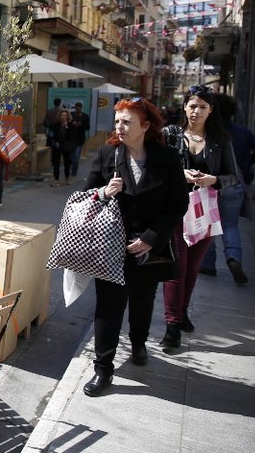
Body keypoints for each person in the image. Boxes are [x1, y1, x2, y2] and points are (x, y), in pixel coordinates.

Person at [81, 97, 188, 397]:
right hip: (111, 247)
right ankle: (103, 370)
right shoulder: (107, 154)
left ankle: (138, 344)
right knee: (108, 307)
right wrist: (103, 192)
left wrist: (152, 238)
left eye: (126, 121)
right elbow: (83, 197)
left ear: (146, 125)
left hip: (149, 248)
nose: (119, 126)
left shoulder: (167, 159)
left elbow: (178, 203)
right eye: (117, 121)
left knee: (142, 301)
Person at [160, 86, 240, 346]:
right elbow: (153, 167)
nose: (196, 111)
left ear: (211, 110)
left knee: (193, 267)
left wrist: (213, 179)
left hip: (205, 211)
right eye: (192, 105)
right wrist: (177, 174)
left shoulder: (221, 140)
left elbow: (233, 176)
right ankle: (172, 325)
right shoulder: (170, 135)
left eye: (203, 107)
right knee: (176, 267)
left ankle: (182, 312)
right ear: (184, 107)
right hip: (174, 210)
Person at [199, 93, 255, 281]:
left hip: (209, 183)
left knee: (208, 225)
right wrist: (245, 163)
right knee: (230, 225)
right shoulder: (242, 132)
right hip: (234, 183)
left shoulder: (206, 132)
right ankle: (234, 258)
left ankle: (207, 263)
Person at [48, 110, 75, 186]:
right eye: (62, 115)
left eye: (65, 115)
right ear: (59, 117)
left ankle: (67, 178)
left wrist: (66, 126)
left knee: (67, 163)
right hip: (57, 146)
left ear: (67, 116)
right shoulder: (56, 125)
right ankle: (56, 179)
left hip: (66, 147)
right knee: (56, 163)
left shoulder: (70, 125)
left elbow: (71, 136)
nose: (63, 117)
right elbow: (52, 134)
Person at [69, 101, 91, 178]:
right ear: (75, 108)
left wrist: (81, 124)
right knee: (71, 156)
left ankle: (74, 170)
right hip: (71, 139)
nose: (78, 109)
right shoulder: (71, 115)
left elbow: (87, 127)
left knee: (76, 157)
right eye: (77, 108)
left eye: (79, 108)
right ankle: (72, 167)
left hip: (79, 139)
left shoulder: (85, 116)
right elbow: (67, 125)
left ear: (81, 108)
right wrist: (72, 123)